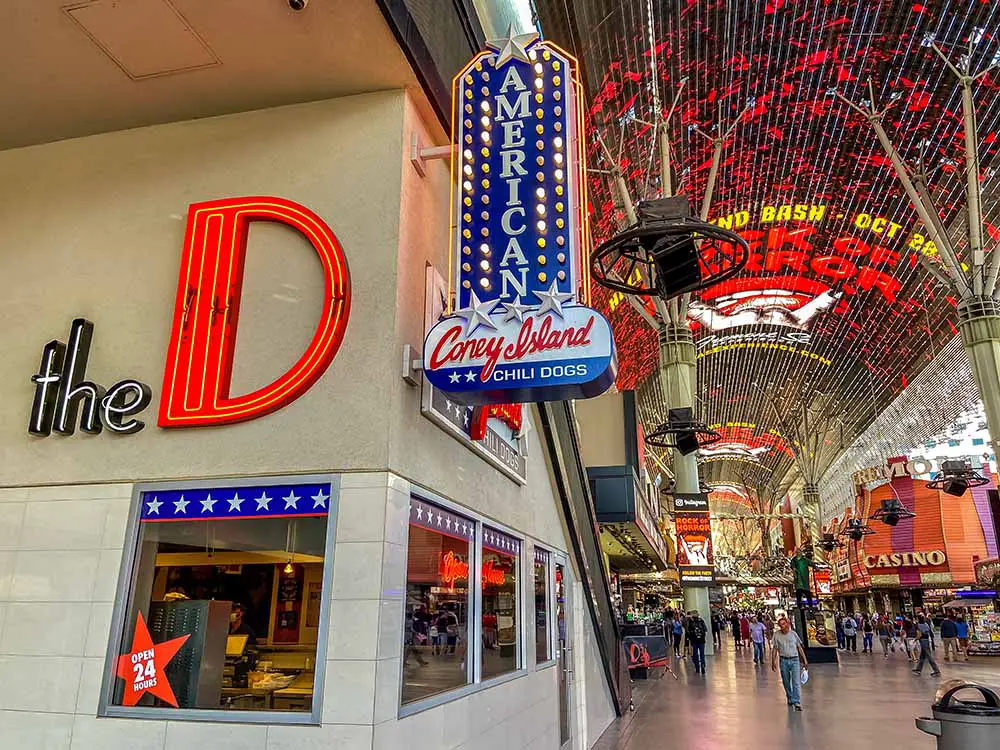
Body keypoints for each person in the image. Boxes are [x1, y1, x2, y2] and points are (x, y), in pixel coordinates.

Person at [771, 616, 808, 711]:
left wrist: (804, 660)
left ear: (788, 624)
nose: (783, 626)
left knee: (796, 682)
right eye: (781, 625)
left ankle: (797, 702)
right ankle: (790, 697)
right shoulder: (776, 635)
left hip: (795, 660)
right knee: (786, 681)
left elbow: (799, 647)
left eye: (784, 624)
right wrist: (773, 661)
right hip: (783, 660)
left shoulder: (793, 634)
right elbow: (775, 649)